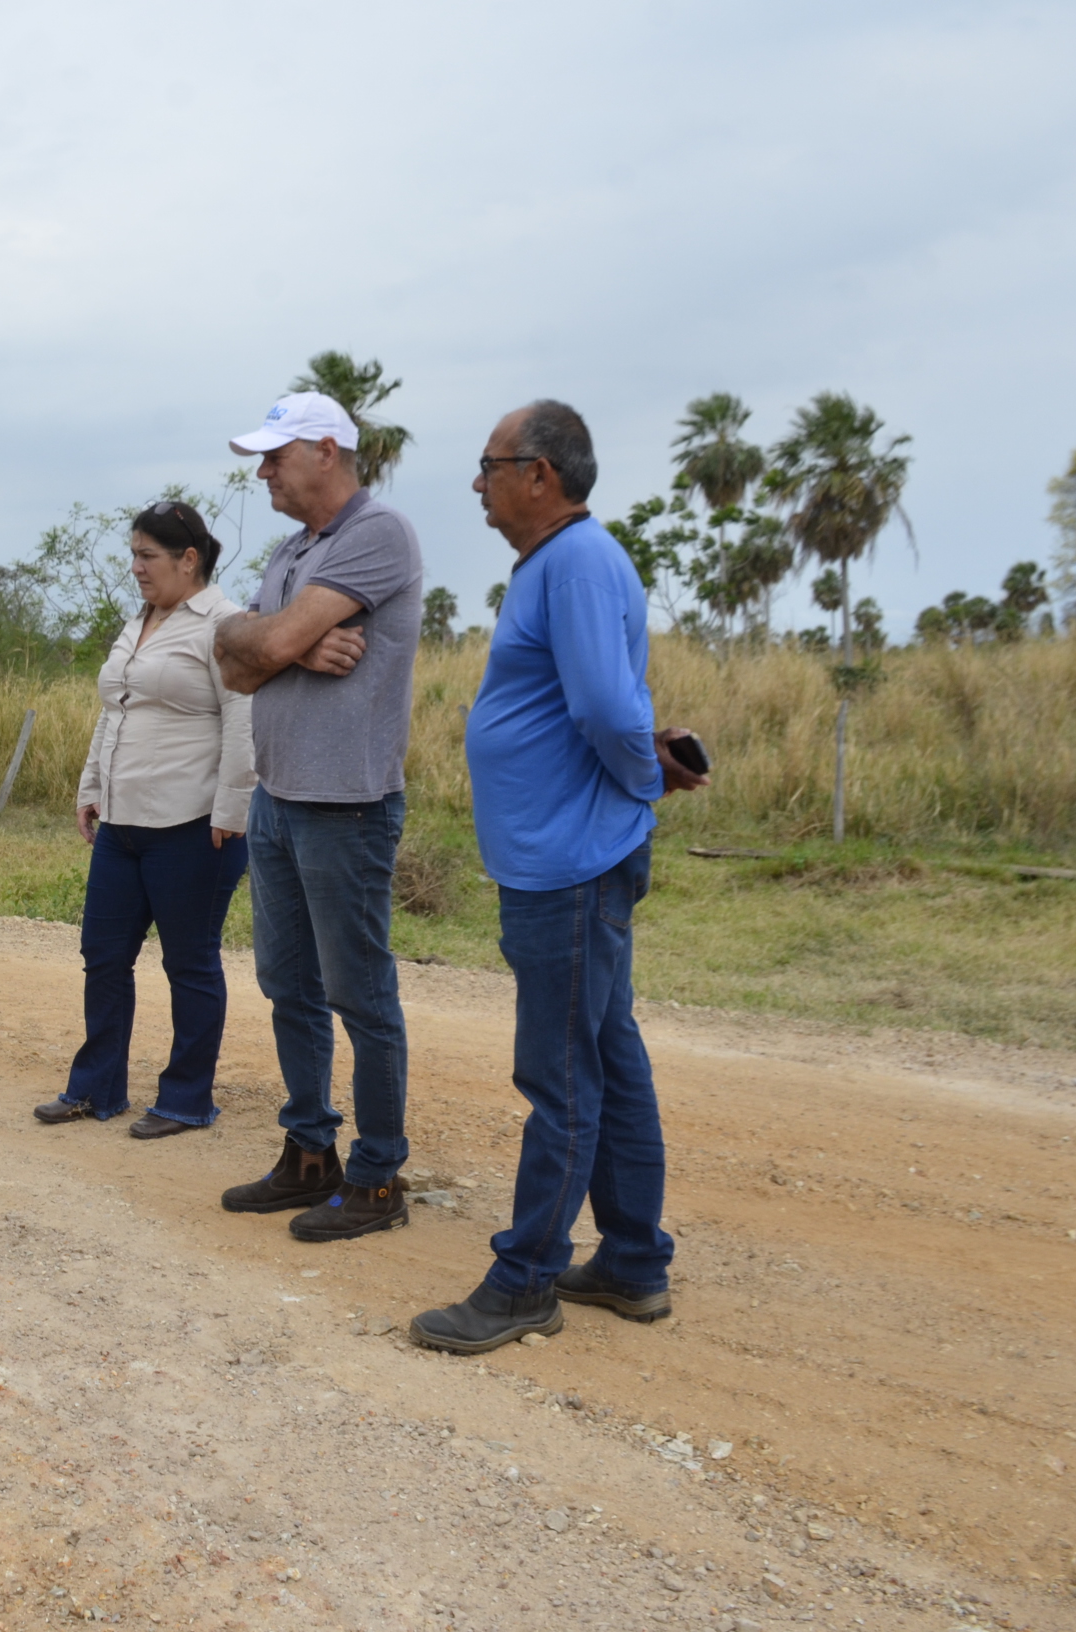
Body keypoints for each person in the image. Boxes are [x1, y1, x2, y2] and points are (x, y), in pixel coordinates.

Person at [408, 401, 709, 1354]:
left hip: (572, 863)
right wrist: (633, 781)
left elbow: (609, 711)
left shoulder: (574, 562)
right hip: (566, 856)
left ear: (540, 473)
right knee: (607, 1056)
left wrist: (638, 784)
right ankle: (630, 1262)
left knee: (562, 1074)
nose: (478, 484)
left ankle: (525, 1278)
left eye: (490, 466)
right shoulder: (562, 564)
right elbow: (603, 707)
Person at [212, 392, 426, 1242]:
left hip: (347, 803)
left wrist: (271, 642)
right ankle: (309, 1153)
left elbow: (255, 651)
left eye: (275, 455)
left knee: (357, 992)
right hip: (280, 795)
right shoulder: (291, 552)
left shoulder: (379, 534)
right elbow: (231, 663)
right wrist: (290, 639)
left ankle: (377, 1176)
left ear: (327, 449)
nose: (262, 470)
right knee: (287, 984)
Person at [34, 500, 256, 1139]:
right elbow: (114, 709)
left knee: (188, 962)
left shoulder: (225, 624)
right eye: (133, 554)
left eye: (147, 556)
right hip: (123, 823)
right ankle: (95, 1088)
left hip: (193, 824)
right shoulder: (139, 624)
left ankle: (186, 1099)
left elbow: (243, 721)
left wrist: (232, 810)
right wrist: (91, 785)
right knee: (103, 955)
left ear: (190, 560)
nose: (136, 568)